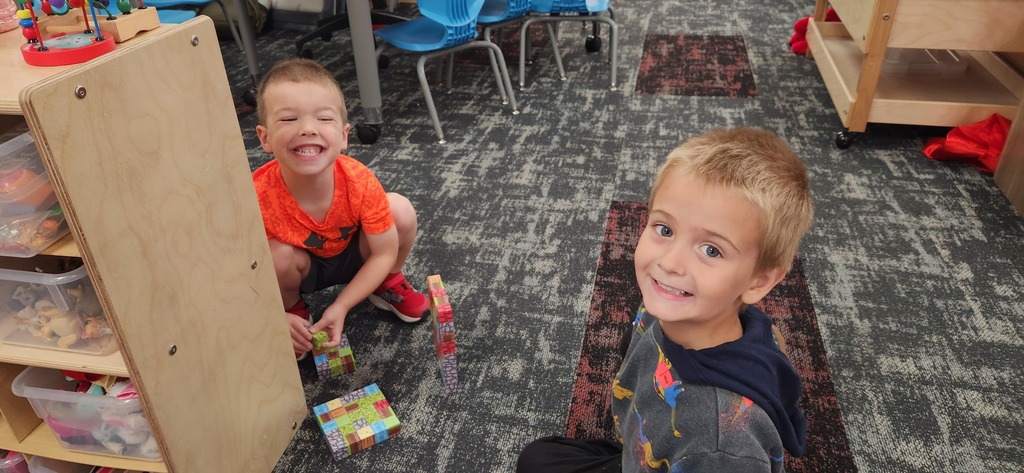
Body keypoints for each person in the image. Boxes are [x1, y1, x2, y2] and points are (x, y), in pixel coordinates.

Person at [518, 128, 813, 472]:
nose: (670, 263)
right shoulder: (676, 307)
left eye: (711, 250)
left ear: (759, 281)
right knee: (537, 458)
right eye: (665, 229)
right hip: (646, 448)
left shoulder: (718, 447)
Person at [251, 58, 429, 359]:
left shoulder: (359, 180)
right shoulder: (255, 194)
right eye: (289, 119)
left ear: (344, 136)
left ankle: (385, 282)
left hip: (357, 254)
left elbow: (384, 251)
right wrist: (272, 315)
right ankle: (293, 314)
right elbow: (238, 271)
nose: (308, 129)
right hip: (301, 268)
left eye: (323, 118)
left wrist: (341, 306)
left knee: (399, 209)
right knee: (273, 256)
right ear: (265, 138)